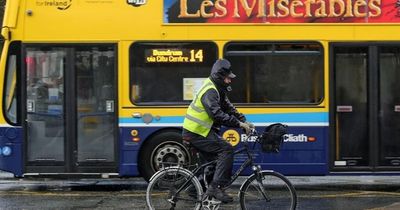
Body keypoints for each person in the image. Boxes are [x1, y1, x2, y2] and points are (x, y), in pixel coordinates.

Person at [182, 58, 254, 203]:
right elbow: (217, 114)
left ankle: (194, 191)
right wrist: (239, 125)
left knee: (214, 163)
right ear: (219, 77)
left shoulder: (218, 90)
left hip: (201, 131)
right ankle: (216, 188)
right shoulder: (210, 91)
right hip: (196, 132)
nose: (229, 81)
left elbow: (228, 108)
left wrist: (244, 120)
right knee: (226, 149)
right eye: (228, 78)